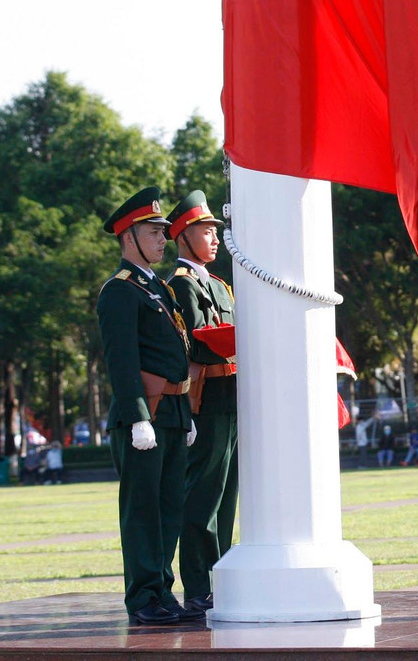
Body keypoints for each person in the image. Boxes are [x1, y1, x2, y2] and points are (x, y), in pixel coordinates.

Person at [96, 186, 201, 626]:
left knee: (168, 509)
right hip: (146, 414)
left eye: (162, 231)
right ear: (128, 237)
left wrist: (187, 413)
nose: (163, 239)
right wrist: (139, 417)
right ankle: (143, 597)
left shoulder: (158, 289)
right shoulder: (120, 291)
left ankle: (162, 590)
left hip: (173, 411)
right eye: (153, 232)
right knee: (142, 511)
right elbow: (121, 361)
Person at [165, 190, 237, 615]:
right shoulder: (181, 285)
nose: (214, 238)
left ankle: (220, 578)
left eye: (214, 231)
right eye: (205, 231)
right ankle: (198, 585)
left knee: (226, 496)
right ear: (182, 237)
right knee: (203, 495)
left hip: (231, 396)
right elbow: (196, 342)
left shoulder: (219, 285)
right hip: (205, 399)